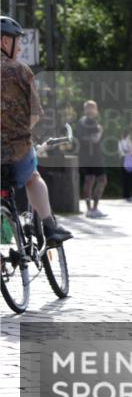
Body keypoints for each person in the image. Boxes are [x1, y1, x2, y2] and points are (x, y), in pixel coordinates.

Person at [0, 16, 73, 243]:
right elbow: (34, 114)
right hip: (17, 154)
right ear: (4, 41)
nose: (20, 47)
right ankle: (50, 227)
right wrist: (22, 132)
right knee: (33, 176)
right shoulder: (21, 71)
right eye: (17, 41)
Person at [76, 100, 109, 218]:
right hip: (93, 157)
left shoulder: (83, 122)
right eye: (93, 108)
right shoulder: (87, 122)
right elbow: (94, 139)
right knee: (101, 180)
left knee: (89, 180)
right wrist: (100, 131)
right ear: (88, 109)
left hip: (88, 156)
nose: (94, 110)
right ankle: (92, 209)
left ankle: (91, 209)